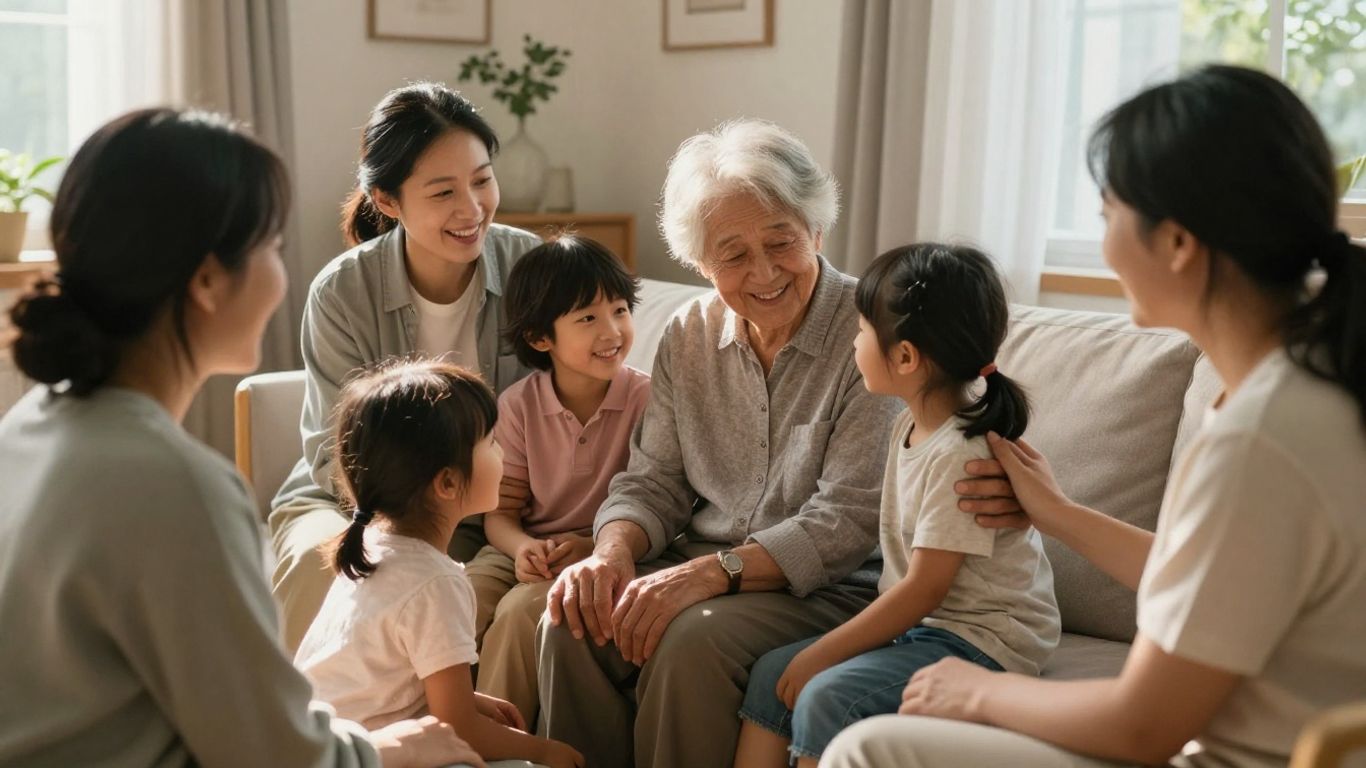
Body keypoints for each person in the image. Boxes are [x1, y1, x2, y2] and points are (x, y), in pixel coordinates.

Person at [822, 64, 1366, 768]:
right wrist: (1058, 514)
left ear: (1177, 243)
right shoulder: (1310, 382)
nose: (1104, 241)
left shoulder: (1261, 438)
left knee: (872, 749)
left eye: (1109, 215)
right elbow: (1206, 574)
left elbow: (1141, 727)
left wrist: (973, 693)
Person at [0, 107, 480, 768]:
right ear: (206, 280)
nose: (282, 275)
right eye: (272, 248)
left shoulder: (24, 430)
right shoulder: (176, 487)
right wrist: (386, 752)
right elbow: (270, 754)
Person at [537, 119, 904, 768]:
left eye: (781, 241)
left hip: (829, 587)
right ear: (701, 263)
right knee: (573, 619)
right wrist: (610, 553)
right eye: (733, 254)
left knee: (690, 642)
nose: (763, 272)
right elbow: (655, 479)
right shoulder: (688, 334)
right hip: (706, 563)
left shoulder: (871, 333)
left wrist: (711, 575)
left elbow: (848, 519)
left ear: (817, 232)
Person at [734, 243, 1060, 767]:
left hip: (983, 641)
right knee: (774, 672)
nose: (854, 340)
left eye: (863, 331)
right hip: (928, 628)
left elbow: (925, 588)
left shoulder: (960, 454)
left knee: (826, 694)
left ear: (905, 357)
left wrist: (826, 650)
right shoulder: (908, 423)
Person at [268, 82, 541, 652]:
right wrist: (418, 532)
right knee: (328, 566)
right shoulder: (343, 291)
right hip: (357, 501)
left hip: (493, 507)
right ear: (389, 202)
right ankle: (311, 738)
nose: (471, 210)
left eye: (482, 180)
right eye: (442, 192)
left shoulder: (529, 269)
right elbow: (331, 454)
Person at [295, 359, 583, 768]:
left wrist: (470, 700)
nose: (502, 453)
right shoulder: (435, 582)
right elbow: (459, 730)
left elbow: (383, 674)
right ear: (447, 483)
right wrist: (544, 750)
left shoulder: (374, 545)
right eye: (491, 444)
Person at [466, 235, 650, 727]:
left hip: (607, 550)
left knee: (518, 614)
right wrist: (523, 547)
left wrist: (591, 543)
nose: (612, 330)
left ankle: (494, 747)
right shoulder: (518, 407)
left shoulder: (648, 400)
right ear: (540, 338)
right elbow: (500, 513)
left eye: (619, 310)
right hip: (521, 546)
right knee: (456, 601)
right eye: (587, 318)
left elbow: (667, 504)